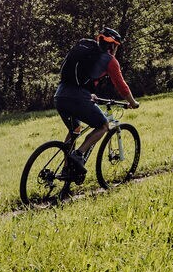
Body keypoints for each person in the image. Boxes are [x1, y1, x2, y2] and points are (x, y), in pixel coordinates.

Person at [55, 27, 139, 182]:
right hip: (77, 98)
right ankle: (78, 154)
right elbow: (121, 86)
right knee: (103, 126)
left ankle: (68, 170)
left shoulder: (86, 49)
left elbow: (81, 79)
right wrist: (132, 102)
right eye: (117, 47)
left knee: (74, 130)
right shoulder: (110, 60)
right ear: (113, 46)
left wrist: (88, 94)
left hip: (60, 95)